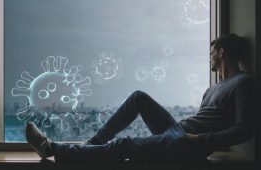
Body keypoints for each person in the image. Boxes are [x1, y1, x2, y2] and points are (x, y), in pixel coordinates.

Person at [25, 33, 257, 162]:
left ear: (222, 52)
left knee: (123, 145)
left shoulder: (243, 82)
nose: (210, 58)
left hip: (189, 143)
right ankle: (92, 144)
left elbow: (244, 130)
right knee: (138, 98)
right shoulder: (212, 89)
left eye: (212, 53)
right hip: (180, 131)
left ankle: (52, 149)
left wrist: (200, 140)